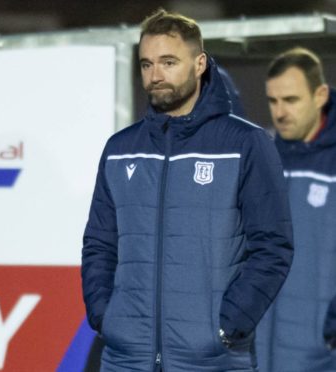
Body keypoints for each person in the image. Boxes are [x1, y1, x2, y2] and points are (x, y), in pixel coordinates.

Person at [81, 9, 294, 371]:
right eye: (147, 64)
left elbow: (273, 248)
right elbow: (99, 244)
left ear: (199, 64)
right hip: (125, 358)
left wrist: (226, 328)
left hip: (212, 359)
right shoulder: (120, 149)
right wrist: (106, 317)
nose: (156, 75)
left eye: (168, 62)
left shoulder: (245, 143)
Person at [256, 47, 336, 372]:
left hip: (321, 356)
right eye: (273, 101)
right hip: (260, 354)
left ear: (319, 95)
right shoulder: (262, 158)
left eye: (291, 100)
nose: (280, 112)